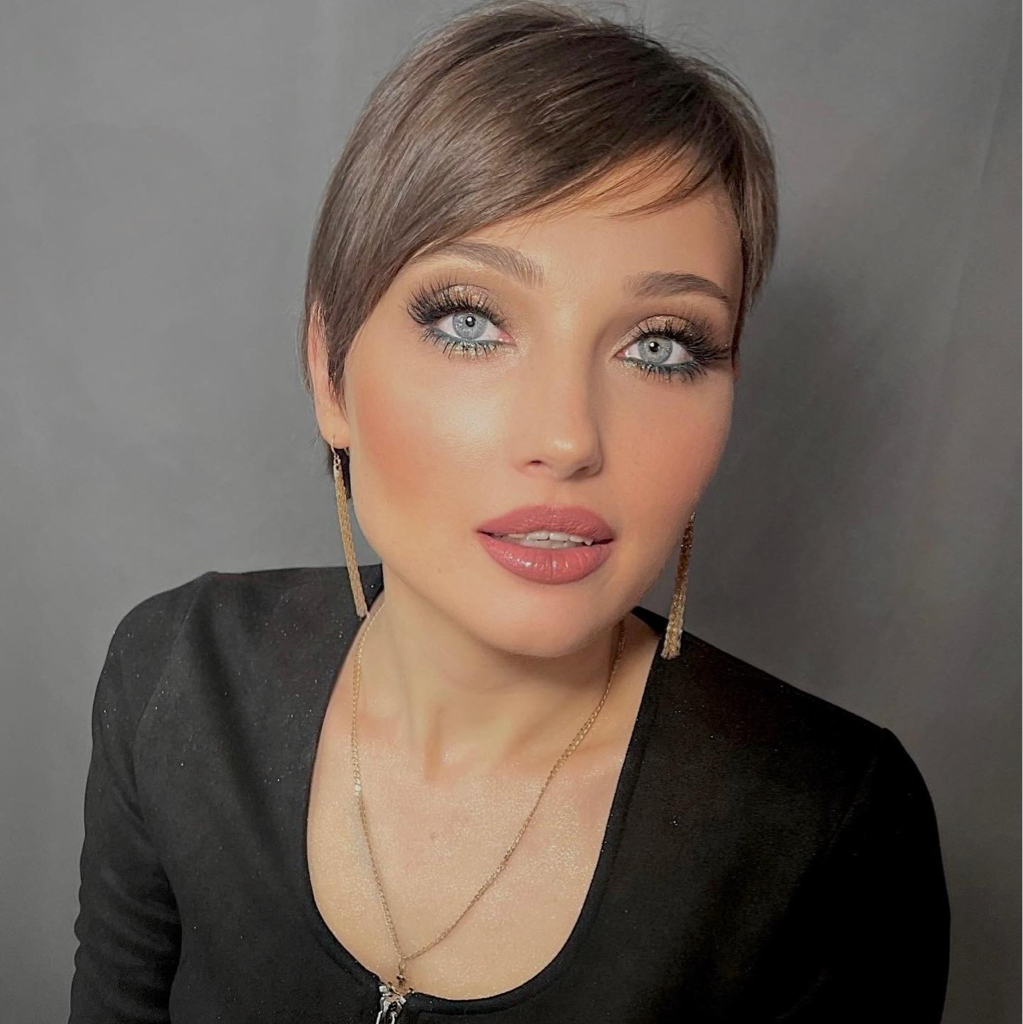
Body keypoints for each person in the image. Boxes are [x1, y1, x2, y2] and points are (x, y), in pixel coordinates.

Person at [68, 2, 950, 1021]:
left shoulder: (829, 829)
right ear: (329, 370)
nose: (569, 437)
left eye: (659, 345)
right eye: (472, 322)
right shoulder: (176, 678)